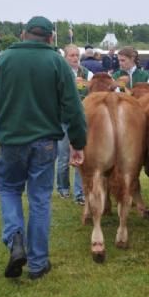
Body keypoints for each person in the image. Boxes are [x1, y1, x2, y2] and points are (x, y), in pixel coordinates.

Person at [0, 16, 87, 280]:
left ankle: (15, 239)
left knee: (9, 189)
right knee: (39, 200)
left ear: (24, 34)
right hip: (45, 142)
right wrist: (78, 143)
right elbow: (73, 107)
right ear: (50, 38)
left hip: (11, 141)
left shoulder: (4, 59)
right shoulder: (58, 62)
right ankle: (37, 264)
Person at [56, 44, 93, 205]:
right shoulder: (59, 72)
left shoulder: (87, 73)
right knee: (64, 157)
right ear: (65, 57)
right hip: (63, 119)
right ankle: (63, 188)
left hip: (81, 120)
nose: (75, 58)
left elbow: (93, 92)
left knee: (80, 155)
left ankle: (80, 193)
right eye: (71, 55)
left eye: (77, 55)